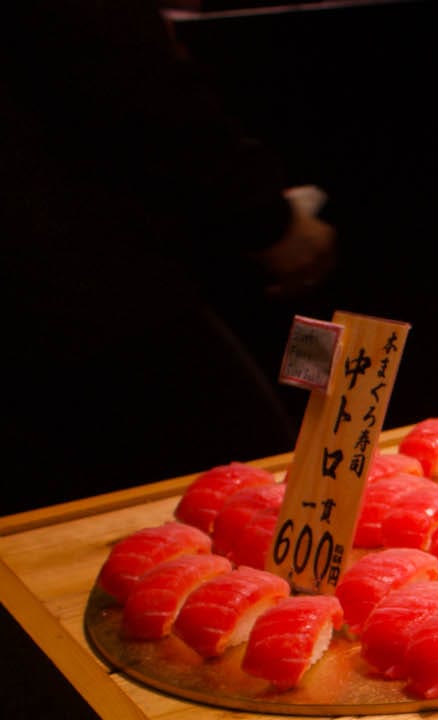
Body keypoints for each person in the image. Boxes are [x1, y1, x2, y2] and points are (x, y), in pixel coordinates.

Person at [1, 0, 337, 514]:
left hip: (84, 266)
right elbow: (130, 78)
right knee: (246, 481)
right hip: (86, 279)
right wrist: (263, 217)